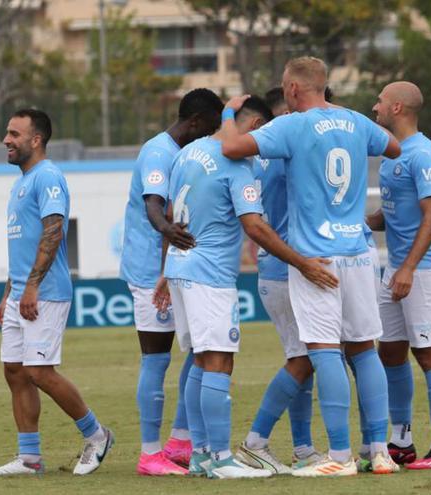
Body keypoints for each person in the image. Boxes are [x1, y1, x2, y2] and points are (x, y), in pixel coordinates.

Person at [219, 56, 402, 477]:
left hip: (315, 257)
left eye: (285, 86)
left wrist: (229, 112)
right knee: (363, 348)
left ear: (294, 89)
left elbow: (230, 147)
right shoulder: (354, 120)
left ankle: (338, 456)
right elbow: (393, 146)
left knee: (322, 352)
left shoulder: (291, 125)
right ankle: (379, 451)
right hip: (359, 251)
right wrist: (353, 127)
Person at [164, 96, 338, 480]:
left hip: (179, 266)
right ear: (257, 123)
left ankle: (202, 455)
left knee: (199, 359)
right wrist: (302, 262)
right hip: (209, 273)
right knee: (218, 361)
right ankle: (223, 458)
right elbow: (255, 227)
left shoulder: (189, 151)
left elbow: (167, 212)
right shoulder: (236, 164)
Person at [0, 109, 114, 476]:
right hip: (21, 293)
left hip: (46, 292)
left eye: (14, 134)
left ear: (36, 140)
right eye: (7, 132)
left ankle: (96, 435)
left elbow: (53, 232)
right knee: (14, 371)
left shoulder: (48, 177)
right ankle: (29, 457)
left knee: (39, 370)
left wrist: (31, 287)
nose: (6, 140)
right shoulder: (22, 181)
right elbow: (23, 243)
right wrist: (9, 292)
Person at [119, 88, 223, 476]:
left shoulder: (183, 153)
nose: (210, 137)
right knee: (157, 357)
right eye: (209, 129)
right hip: (151, 272)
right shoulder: (159, 152)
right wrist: (170, 232)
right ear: (194, 123)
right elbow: (153, 205)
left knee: (197, 350)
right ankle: (150, 454)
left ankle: (180, 440)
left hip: (175, 268)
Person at [233, 88, 323, 474]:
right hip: (289, 268)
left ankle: (303, 448)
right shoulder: (290, 157)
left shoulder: (261, 160)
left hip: (276, 268)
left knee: (302, 358)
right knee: (305, 359)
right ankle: (256, 441)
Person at [368, 81, 431, 470]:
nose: (375, 107)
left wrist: (408, 268)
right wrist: (356, 220)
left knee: (430, 353)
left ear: (398, 108)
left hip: (423, 271)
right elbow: (390, 214)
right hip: (397, 269)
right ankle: (401, 440)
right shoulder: (393, 154)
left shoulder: (424, 155)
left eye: (381, 102)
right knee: (389, 351)